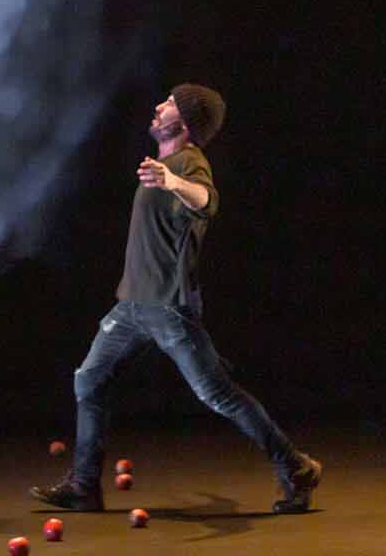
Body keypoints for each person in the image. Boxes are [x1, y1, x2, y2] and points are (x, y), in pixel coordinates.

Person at [30, 85, 322, 514]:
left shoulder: (189, 164)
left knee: (217, 395)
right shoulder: (163, 163)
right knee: (88, 380)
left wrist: (172, 182)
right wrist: (163, 176)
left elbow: (206, 200)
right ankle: (84, 486)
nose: (158, 106)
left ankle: (296, 468)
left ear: (184, 123)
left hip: (169, 308)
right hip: (131, 306)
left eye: (168, 104)